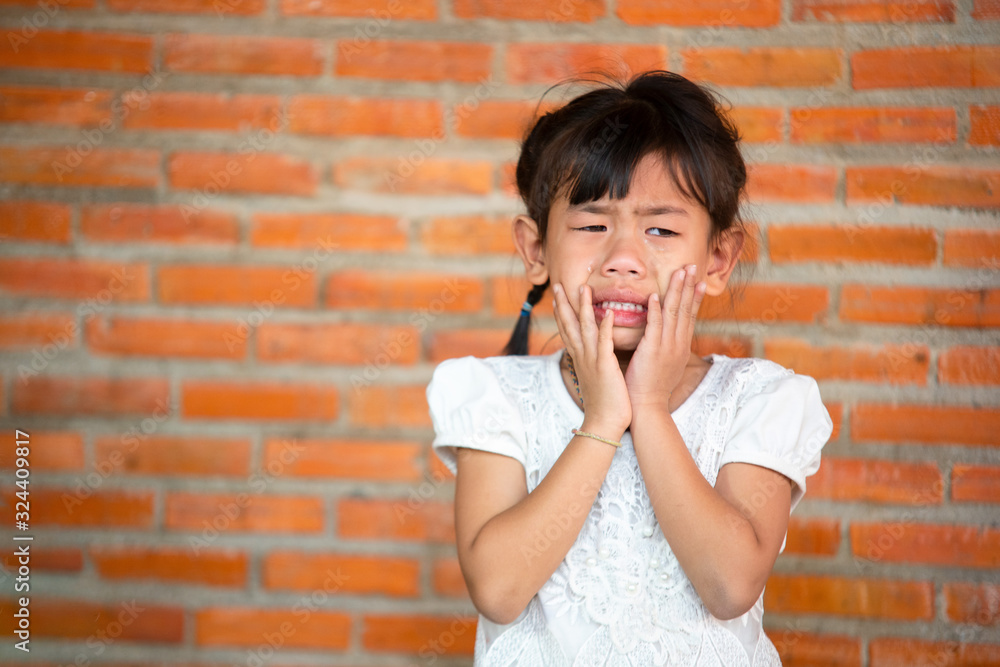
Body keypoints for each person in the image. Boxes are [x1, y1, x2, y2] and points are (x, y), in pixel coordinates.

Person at [425, 70, 833, 666]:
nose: (622, 260)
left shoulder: (761, 400)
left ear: (718, 258)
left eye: (661, 229)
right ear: (536, 251)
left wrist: (647, 408)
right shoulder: (496, 395)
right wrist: (604, 415)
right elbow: (499, 590)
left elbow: (729, 586)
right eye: (592, 226)